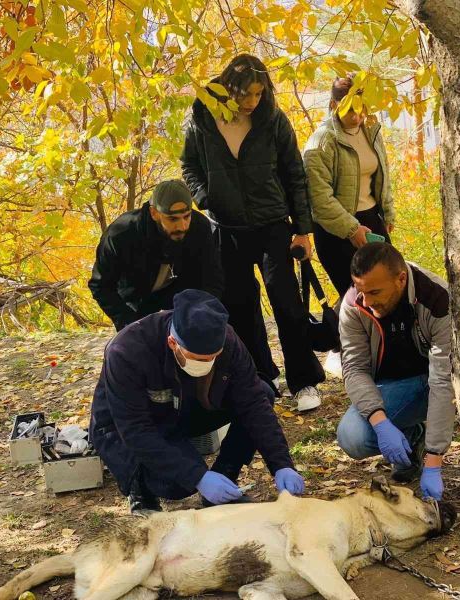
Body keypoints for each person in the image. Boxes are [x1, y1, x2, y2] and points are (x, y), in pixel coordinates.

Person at [181, 53, 325, 412]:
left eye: (259, 94)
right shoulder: (201, 116)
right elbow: (189, 165)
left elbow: (295, 174)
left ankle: (304, 381)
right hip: (225, 229)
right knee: (241, 307)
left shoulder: (273, 119)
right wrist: (204, 198)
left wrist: (303, 231)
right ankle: (262, 377)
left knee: (287, 303)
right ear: (228, 87)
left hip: (272, 225)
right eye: (245, 93)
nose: (251, 101)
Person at [89, 288, 305, 513]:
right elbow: (135, 430)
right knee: (177, 484)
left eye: (213, 357)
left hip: (185, 408)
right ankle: (140, 490)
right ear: (173, 343)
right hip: (135, 426)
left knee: (264, 392)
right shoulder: (127, 350)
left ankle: (224, 478)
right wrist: (197, 476)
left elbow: (254, 403)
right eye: (198, 359)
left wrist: (281, 464)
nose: (207, 363)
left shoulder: (228, 340)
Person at [335, 243, 456, 501]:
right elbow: (354, 369)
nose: (367, 301)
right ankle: (412, 440)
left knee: (437, 383)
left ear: (401, 279)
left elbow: (443, 381)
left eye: (375, 291)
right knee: (353, 436)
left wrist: (435, 460)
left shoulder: (436, 299)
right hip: (391, 384)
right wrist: (381, 423)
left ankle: (425, 446)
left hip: (431, 382)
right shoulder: (354, 304)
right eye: (361, 290)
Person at [303, 75, 395, 300]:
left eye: (362, 109)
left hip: (372, 221)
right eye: (350, 111)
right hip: (336, 231)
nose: (357, 117)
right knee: (359, 301)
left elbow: (383, 173)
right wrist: (352, 230)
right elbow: (319, 199)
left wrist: (388, 211)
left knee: (391, 291)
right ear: (334, 105)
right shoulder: (322, 141)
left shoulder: (371, 131)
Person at [87, 179, 223, 331]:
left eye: (187, 216)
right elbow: (100, 285)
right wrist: (128, 323)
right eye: (172, 219)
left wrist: (201, 312)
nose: (182, 226)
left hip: (182, 300)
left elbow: (212, 278)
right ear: (154, 213)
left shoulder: (199, 228)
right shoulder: (121, 234)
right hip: (135, 304)